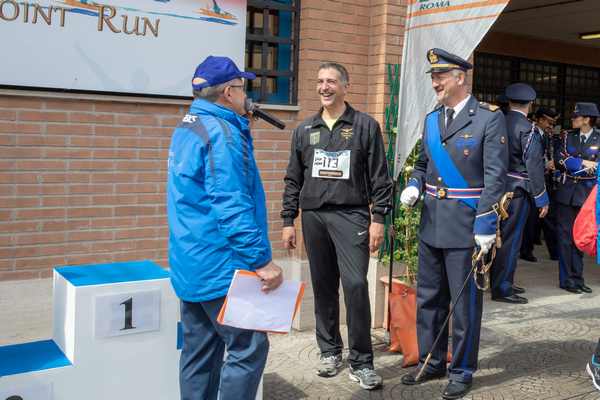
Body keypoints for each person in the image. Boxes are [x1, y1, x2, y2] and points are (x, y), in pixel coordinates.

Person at [167, 55, 284, 400]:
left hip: (191, 261)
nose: (245, 92)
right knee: (248, 348)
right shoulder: (221, 133)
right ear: (229, 92)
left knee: (199, 352)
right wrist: (261, 261)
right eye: (242, 86)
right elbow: (230, 203)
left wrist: (241, 127)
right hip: (221, 264)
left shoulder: (190, 124)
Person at [399, 48, 508, 400]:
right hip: (432, 220)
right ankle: (432, 361)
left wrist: (486, 222)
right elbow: (421, 165)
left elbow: (495, 177)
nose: (435, 82)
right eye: (433, 77)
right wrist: (415, 185)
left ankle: (462, 369)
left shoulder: (489, 118)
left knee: (464, 305)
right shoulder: (432, 119)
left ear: (461, 78)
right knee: (429, 298)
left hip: (466, 225)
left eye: (441, 76)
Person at [280, 62, 392, 390]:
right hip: (314, 217)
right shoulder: (305, 130)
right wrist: (289, 220)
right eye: (320, 81)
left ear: (346, 86)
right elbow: (292, 178)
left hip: (352, 215)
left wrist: (378, 219)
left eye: (331, 81)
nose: (324, 87)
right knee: (324, 286)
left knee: (355, 284)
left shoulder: (365, 126)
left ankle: (362, 360)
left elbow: (380, 178)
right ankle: (329, 351)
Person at [490, 83, 549, 305]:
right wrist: (541, 197)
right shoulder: (528, 128)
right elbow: (533, 165)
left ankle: (498, 279)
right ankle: (502, 287)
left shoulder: (496, 122)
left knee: (493, 235)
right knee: (511, 240)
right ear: (530, 103)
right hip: (517, 191)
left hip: (494, 188)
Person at [553, 102, 600, 294]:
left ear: (587, 119)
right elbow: (560, 158)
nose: (572, 120)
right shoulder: (567, 136)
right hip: (566, 193)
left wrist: (591, 165)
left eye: (576, 117)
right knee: (564, 238)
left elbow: (597, 167)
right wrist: (582, 162)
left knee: (580, 237)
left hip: (586, 195)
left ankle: (578, 278)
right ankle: (566, 280)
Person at [533, 107, 560, 260]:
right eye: (549, 122)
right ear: (541, 120)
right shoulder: (532, 133)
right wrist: (545, 165)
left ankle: (553, 251)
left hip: (548, 180)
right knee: (535, 219)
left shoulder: (547, 135)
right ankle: (526, 249)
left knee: (548, 217)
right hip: (535, 181)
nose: (551, 126)